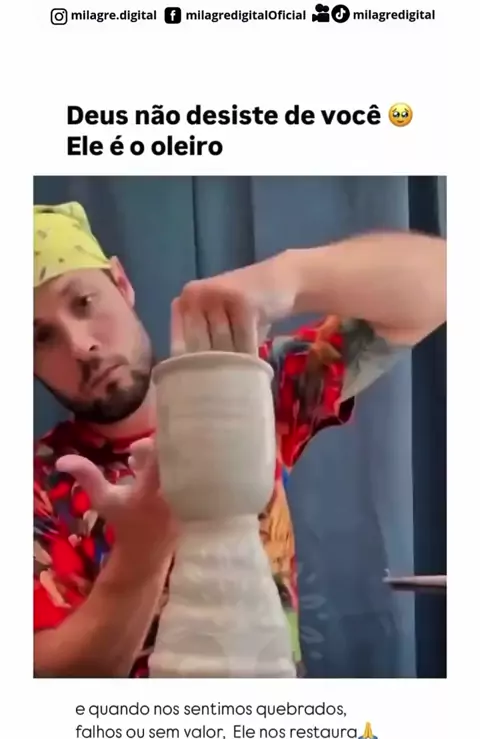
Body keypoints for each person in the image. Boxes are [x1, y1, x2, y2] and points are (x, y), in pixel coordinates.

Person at [33, 202, 446, 678]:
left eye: (83, 302)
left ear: (121, 283)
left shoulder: (250, 392)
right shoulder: (39, 486)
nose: (81, 345)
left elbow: (444, 283)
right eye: (41, 337)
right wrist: (140, 556)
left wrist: (291, 277)